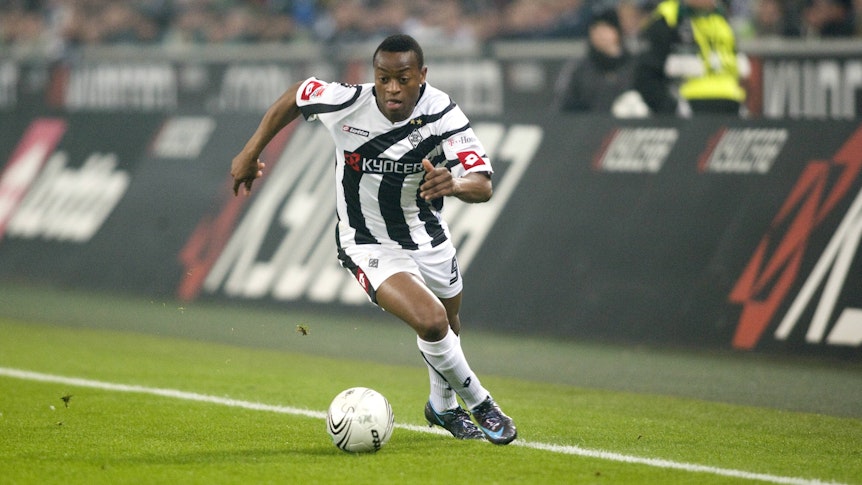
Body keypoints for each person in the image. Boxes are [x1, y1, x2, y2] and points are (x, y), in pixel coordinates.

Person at [230, 34, 517, 445]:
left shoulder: (443, 112)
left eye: (403, 78)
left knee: (449, 325)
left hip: (427, 236)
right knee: (432, 320)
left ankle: (443, 407)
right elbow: (298, 95)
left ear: (422, 76)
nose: (392, 88)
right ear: (374, 77)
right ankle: (483, 403)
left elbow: (483, 184)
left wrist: (453, 183)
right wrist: (250, 150)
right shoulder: (348, 102)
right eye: (383, 78)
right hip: (366, 242)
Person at [633, 0, 747, 116]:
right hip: (688, 113)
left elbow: (735, 70)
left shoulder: (722, 20)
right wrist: (672, 112)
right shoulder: (667, 20)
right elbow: (645, 77)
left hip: (731, 110)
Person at [554, 7, 640, 114]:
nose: (600, 35)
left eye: (605, 29)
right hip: (588, 127)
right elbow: (564, 103)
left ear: (616, 32)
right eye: (596, 30)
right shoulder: (578, 68)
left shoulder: (635, 66)